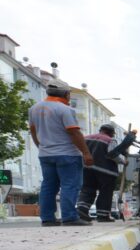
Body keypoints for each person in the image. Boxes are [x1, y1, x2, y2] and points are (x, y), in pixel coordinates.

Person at [29, 81, 94, 227]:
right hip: (68, 154)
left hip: (45, 154)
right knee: (70, 185)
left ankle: (47, 219)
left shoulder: (34, 109)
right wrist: (86, 153)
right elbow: (73, 132)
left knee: (48, 186)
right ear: (66, 94)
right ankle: (70, 217)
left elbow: (33, 131)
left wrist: (41, 147)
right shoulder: (65, 109)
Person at [77, 124, 126, 222]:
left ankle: (82, 210)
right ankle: (102, 215)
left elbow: (79, 151)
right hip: (105, 171)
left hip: (87, 169)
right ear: (111, 133)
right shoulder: (110, 140)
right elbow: (112, 154)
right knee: (105, 193)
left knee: (87, 189)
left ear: (101, 130)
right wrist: (123, 161)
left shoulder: (86, 138)